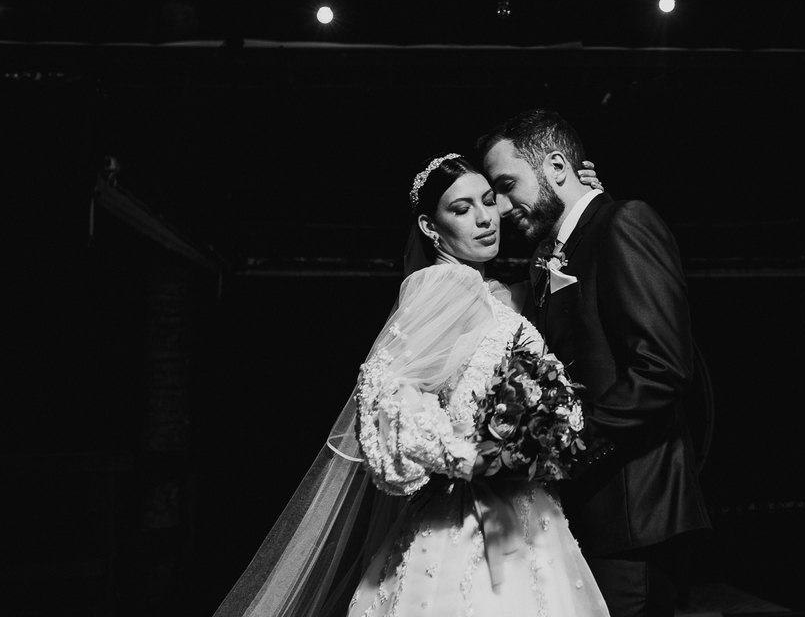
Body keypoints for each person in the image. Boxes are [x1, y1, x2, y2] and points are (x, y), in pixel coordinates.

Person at [213, 153, 610, 617]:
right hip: (465, 525)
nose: (485, 218)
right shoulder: (446, 284)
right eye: (461, 209)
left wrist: (576, 198)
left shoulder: (494, 293)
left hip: (527, 517)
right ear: (429, 227)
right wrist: (473, 458)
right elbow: (384, 388)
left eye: (488, 201)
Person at [478, 110, 711, 617]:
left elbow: (663, 367)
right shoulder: (546, 257)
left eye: (506, 185)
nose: (501, 206)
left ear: (557, 166)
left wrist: (565, 444)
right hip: (579, 514)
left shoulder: (625, 222)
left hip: (634, 516)